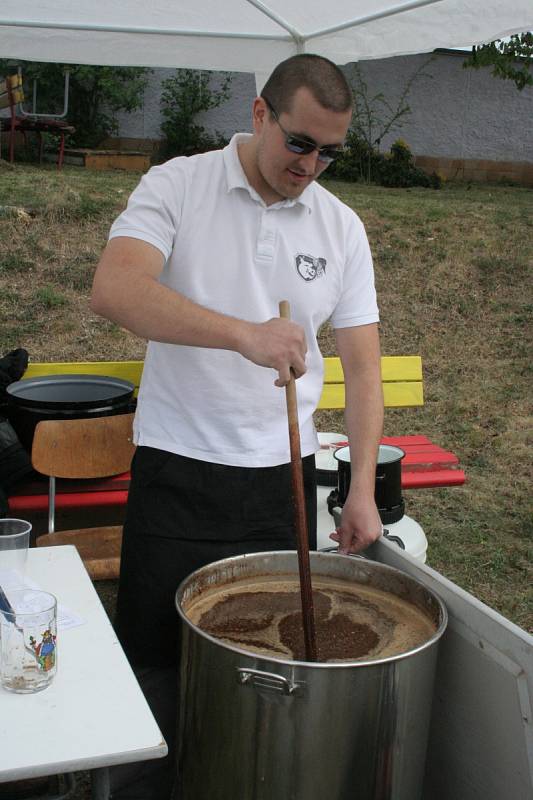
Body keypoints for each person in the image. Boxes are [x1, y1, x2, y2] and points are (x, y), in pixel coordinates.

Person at [90, 53, 384, 799]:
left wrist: (358, 490)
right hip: (178, 467)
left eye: (330, 151)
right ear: (260, 114)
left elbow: (364, 368)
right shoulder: (178, 184)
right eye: (299, 143)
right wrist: (242, 334)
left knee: (270, 667)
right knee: (157, 663)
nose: (312, 164)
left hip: (280, 477)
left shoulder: (340, 227)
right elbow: (115, 289)